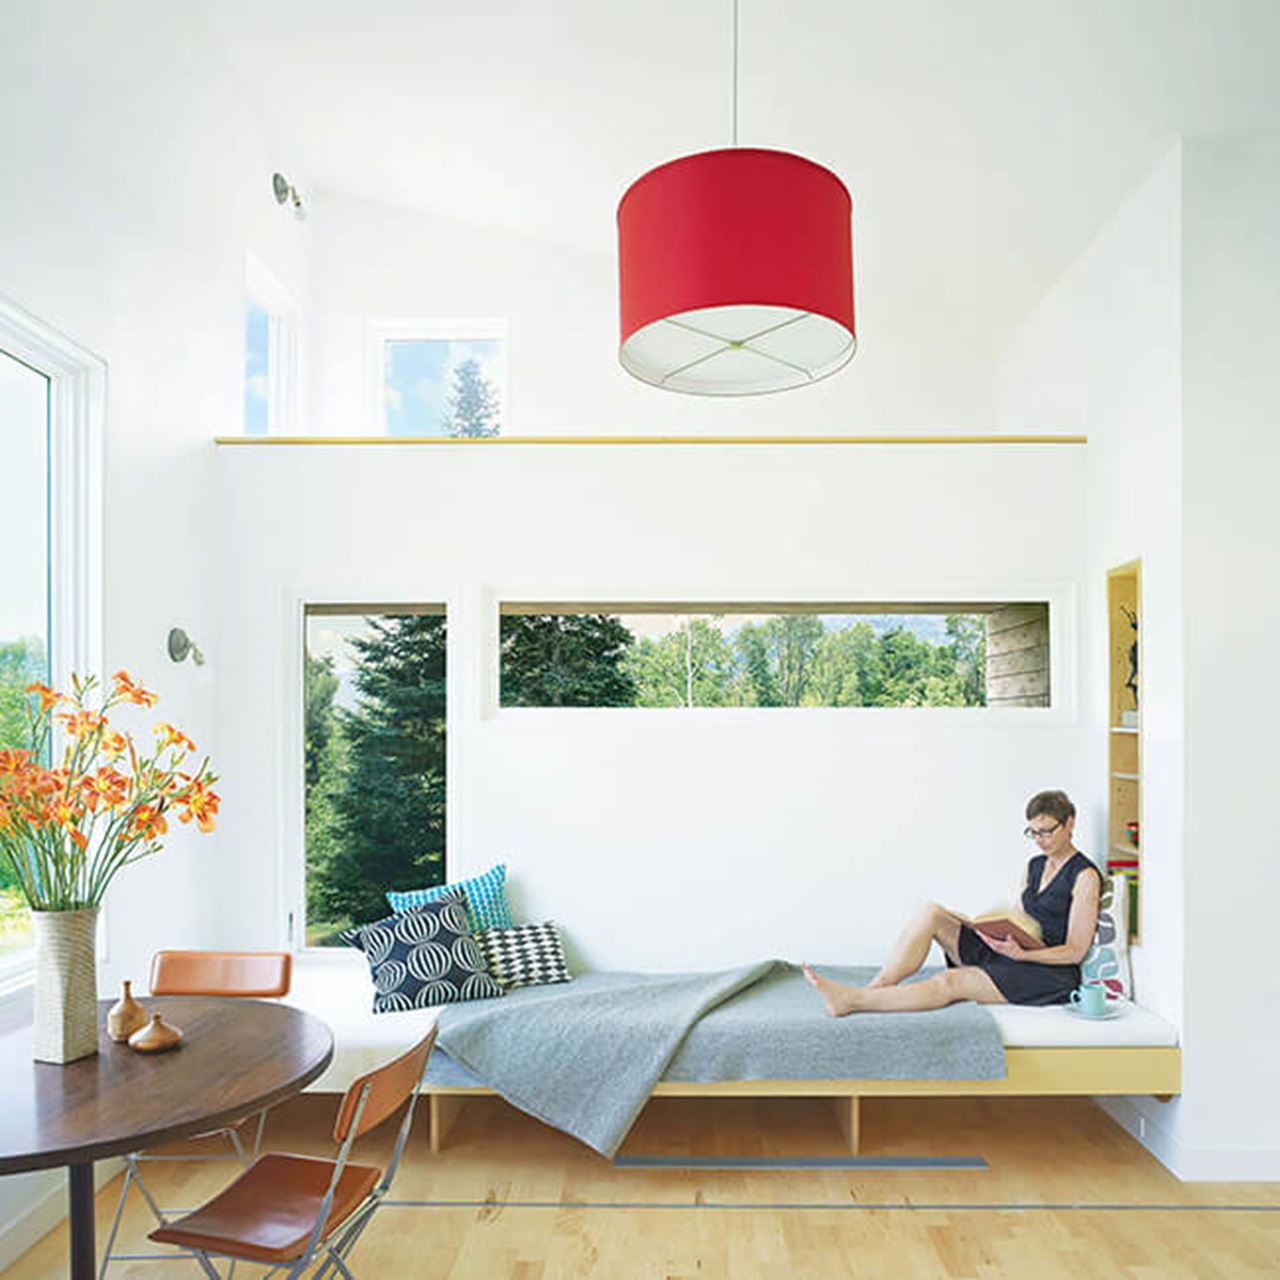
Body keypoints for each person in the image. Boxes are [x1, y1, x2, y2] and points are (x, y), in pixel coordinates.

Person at [803, 790, 1101, 1016]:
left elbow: (1075, 952)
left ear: (1069, 823)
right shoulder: (1034, 865)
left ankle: (852, 1000)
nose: (1040, 840)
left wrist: (1024, 956)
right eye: (1033, 832)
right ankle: (879, 985)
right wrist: (983, 928)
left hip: (1047, 973)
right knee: (933, 912)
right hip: (1014, 954)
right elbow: (1023, 922)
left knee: (950, 982)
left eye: (1047, 832)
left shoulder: (1084, 876)